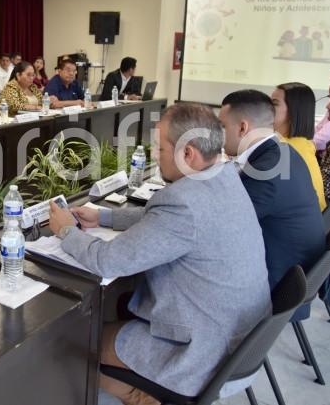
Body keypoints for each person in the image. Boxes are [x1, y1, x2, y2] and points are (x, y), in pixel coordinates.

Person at [48, 103, 270, 403]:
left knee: (77, 341)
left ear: (188, 153)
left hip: (198, 353)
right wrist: (104, 217)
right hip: (239, 343)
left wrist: (66, 231)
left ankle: (143, 396)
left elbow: (107, 261)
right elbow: (166, 222)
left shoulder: (184, 201)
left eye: (159, 148)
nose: (155, 155)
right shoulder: (225, 176)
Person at [219, 90, 324, 313]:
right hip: (291, 269)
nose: (218, 135)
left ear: (242, 128)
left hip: (275, 283)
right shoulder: (281, 151)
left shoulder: (267, 171)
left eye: (222, 127)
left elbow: (219, 224)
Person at [271, 82, 326, 210]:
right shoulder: (305, 144)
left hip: (297, 224)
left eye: (274, 103)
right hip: (316, 220)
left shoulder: (283, 149)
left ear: (293, 111)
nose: (266, 108)